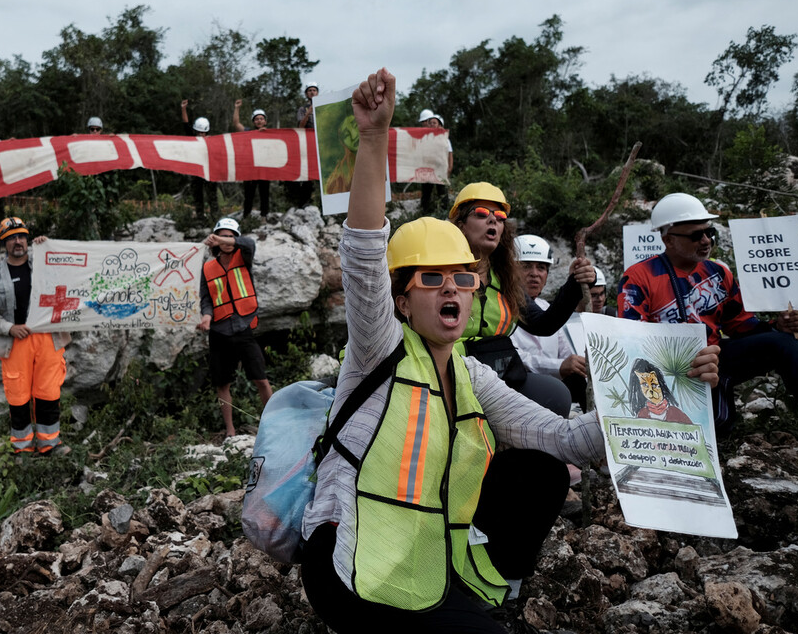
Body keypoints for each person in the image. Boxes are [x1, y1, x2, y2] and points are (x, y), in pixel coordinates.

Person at [298, 68, 701, 634]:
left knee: (543, 469)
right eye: (430, 279)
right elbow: (365, 254)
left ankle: (496, 591)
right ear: (401, 299)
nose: (451, 290)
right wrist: (371, 140)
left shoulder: (470, 377)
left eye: (462, 279)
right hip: (349, 557)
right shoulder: (377, 349)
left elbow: (569, 439)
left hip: (424, 552)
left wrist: (674, 385)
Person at [618, 192, 798, 434]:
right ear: (668, 240)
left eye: (710, 232)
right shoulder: (639, 277)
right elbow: (632, 338)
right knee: (717, 428)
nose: (706, 240)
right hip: (669, 368)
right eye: (696, 235)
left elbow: (740, 324)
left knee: (782, 344)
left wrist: (779, 326)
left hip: (715, 357)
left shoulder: (718, 273)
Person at [449, 183, 595, 417]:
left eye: (499, 217)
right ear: (460, 225)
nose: (493, 221)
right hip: (450, 369)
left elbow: (544, 324)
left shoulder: (506, 278)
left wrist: (576, 283)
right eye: (481, 214)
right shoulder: (441, 271)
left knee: (557, 395)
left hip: (499, 371)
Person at [0, 217, 71, 455]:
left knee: (49, 392)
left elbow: (67, 276)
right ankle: (22, 448)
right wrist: (9, 327)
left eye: (21, 236)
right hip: (15, 341)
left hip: (47, 337)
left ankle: (50, 444)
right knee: (18, 395)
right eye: (11, 238)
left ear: (27, 239)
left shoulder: (42, 264)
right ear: (4, 243)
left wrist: (49, 249)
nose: (17, 241)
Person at [197, 217, 272, 436]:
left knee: (261, 379)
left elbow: (249, 243)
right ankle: (230, 431)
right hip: (219, 331)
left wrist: (220, 238)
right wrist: (206, 317)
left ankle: (273, 423)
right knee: (223, 383)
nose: (226, 241)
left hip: (243, 327)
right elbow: (206, 299)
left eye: (230, 236)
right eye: (222, 235)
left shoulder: (244, 255)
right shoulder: (208, 268)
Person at [510, 235, 587, 389]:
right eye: (526, 266)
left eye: (541, 267)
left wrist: (579, 364)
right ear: (511, 271)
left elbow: (565, 351)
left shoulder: (546, 308)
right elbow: (516, 358)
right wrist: (559, 366)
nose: (534, 274)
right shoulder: (502, 309)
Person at [181, 100, 219, 218]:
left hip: (209, 170)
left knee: (212, 195)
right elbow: (186, 124)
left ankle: (214, 216)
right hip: (196, 171)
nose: (201, 135)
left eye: (203, 133)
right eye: (199, 132)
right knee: (197, 195)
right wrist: (183, 109)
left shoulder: (213, 140)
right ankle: (200, 216)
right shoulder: (192, 138)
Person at [232, 100, 270, 217]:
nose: (259, 120)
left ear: (265, 121)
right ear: (253, 121)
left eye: (261, 118)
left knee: (264, 194)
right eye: (256, 119)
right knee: (249, 194)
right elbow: (236, 123)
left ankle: (264, 216)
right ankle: (246, 216)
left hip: (264, 168)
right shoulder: (247, 132)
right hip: (250, 169)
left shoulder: (271, 133)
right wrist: (237, 108)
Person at [288, 81, 320, 208]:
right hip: (308, 144)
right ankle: (305, 201)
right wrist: (309, 112)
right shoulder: (302, 109)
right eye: (310, 90)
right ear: (306, 93)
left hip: (322, 143)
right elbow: (300, 126)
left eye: (314, 90)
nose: (312, 92)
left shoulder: (324, 106)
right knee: (308, 172)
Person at [418, 109, 453, 214]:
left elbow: (450, 154)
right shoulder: (425, 138)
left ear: (439, 125)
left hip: (440, 170)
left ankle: (444, 212)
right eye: (430, 123)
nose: (432, 124)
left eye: (434, 123)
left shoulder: (445, 139)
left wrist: (450, 167)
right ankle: (425, 212)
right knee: (426, 192)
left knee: (442, 191)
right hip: (428, 170)